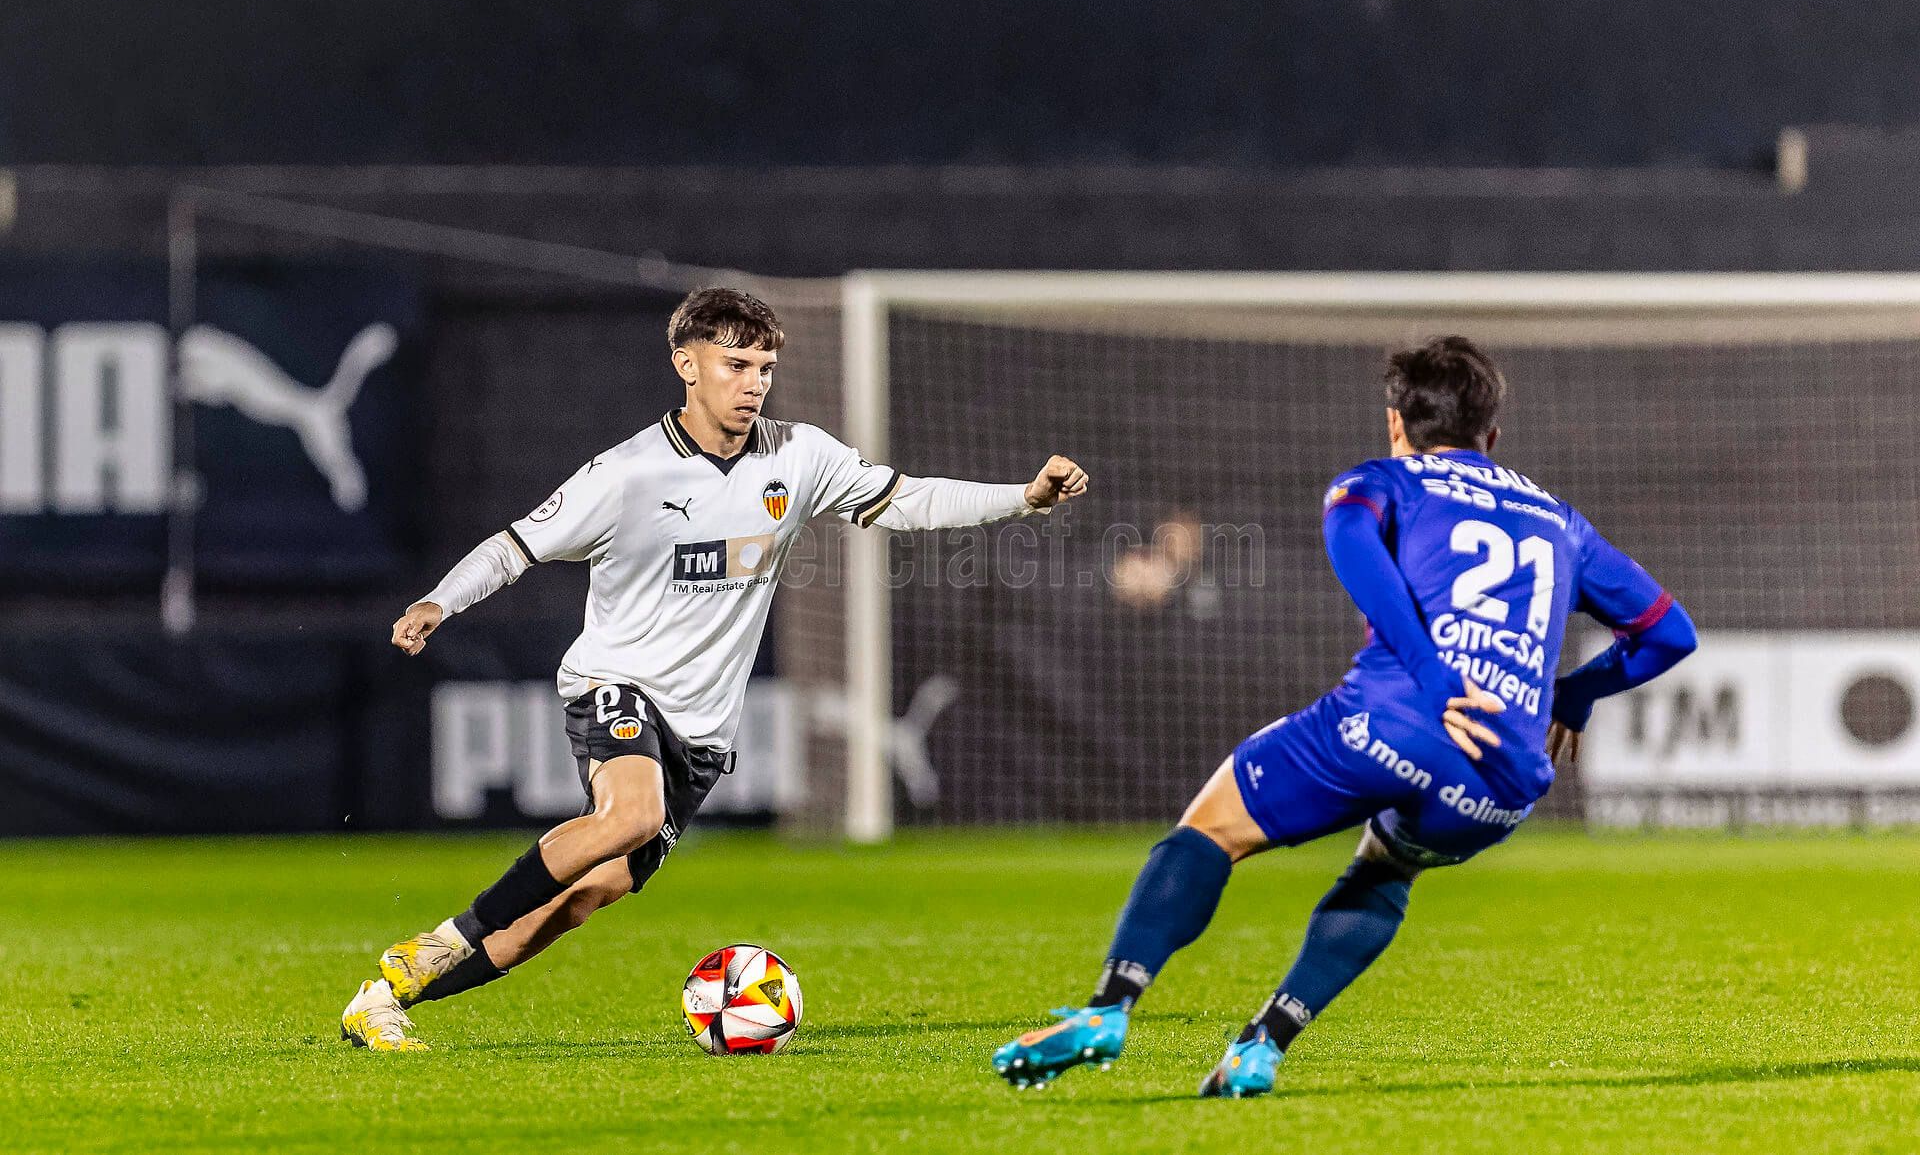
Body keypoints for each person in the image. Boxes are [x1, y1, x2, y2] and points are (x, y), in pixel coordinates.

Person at [341, 287, 1088, 1051]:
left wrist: (1024, 498)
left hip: (702, 733)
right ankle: (430, 945)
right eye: (736, 365)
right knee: (627, 815)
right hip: (616, 684)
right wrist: (439, 601)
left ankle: (383, 998)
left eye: (764, 367)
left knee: (582, 899)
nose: (754, 383)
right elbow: (515, 545)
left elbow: (908, 499)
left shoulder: (800, 458)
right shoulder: (627, 473)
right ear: (686, 366)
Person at [991, 335, 1695, 1096]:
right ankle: (1261, 1046)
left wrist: (1430, 674)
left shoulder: (1380, 483)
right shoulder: (1562, 522)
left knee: (1210, 829)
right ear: (1492, 435)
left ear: (1397, 422)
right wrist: (1573, 694)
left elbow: (1349, 542)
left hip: (1393, 722)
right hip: (1503, 777)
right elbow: (1669, 633)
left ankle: (1108, 1009)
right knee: (1386, 869)